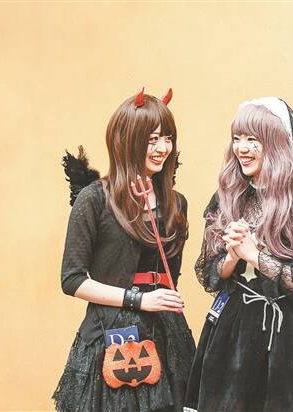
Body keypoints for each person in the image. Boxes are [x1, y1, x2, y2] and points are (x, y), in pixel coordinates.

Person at [184, 97, 293, 412]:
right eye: (237, 138)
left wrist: (255, 256)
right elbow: (208, 275)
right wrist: (232, 255)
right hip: (235, 334)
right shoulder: (228, 197)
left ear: (276, 144)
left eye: (252, 139)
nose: (241, 148)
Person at [53, 88, 195, 412]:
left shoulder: (176, 203)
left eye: (168, 138)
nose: (163, 148)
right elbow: (72, 279)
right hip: (109, 336)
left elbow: (170, 279)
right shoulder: (94, 199)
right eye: (152, 139)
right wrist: (139, 300)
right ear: (127, 140)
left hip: (167, 338)